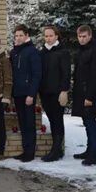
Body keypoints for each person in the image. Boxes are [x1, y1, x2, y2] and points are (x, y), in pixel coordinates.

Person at [71, 25, 96, 166]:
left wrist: (90, 97)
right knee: (86, 123)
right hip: (81, 92)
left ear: (90, 36)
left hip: (89, 94)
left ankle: (94, 154)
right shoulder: (82, 50)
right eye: (80, 36)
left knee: (91, 123)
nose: (82, 39)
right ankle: (89, 149)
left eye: (85, 36)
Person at [10, 24, 42, 163]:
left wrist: (31, 94)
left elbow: (37, 74)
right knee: (22, 123)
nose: (18, 38)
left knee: (29, 123)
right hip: (17, 93)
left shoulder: (32, 51)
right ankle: (25, 150)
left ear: (27, 35)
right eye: (16, 36)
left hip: (28, 94)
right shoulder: (14, 52)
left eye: (20, 35)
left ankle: (30, 152)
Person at [39, 26, 71, 162]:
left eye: (51, 36)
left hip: (58, 93)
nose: (48, 38)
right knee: (52, 120)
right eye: (46, 36)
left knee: (57, 120)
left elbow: (66, 73)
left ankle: (57, 150)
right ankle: (56, 148)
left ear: (56, 36)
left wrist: (64, 91)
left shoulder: (63, 52)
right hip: (45, 93)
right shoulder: (42, 52)